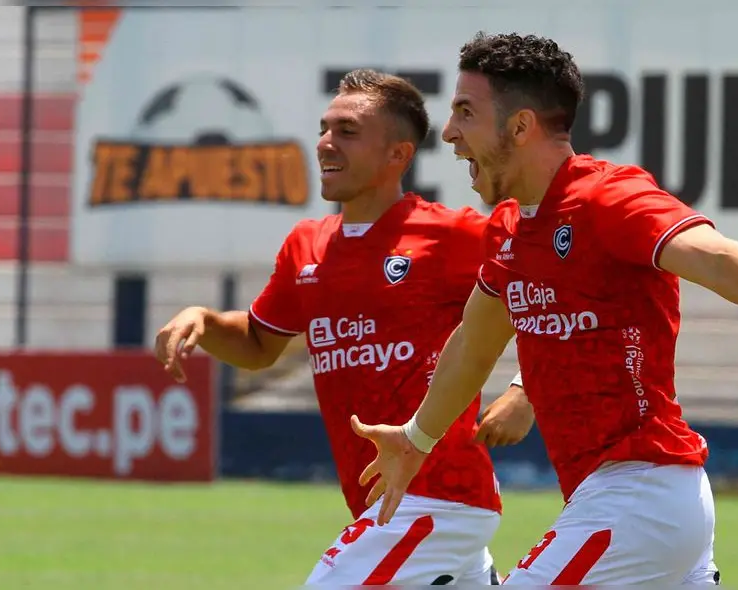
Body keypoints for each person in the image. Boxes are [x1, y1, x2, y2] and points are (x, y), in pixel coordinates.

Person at [350, 33, 738, 587]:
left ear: (521, 127)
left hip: (640, 494)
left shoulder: (606, 197)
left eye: (465, 112)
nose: (450, 133)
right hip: (639, 503)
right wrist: (417, 439)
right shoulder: (510, 227)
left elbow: (715, 257)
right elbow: (472, 347)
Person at [152, 69, 536, 586]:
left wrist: (525, 388)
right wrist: (204, 318)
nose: (325, 144)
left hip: (435, 499)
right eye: (324, 129)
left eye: (347, 132)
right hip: (388, 506)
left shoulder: (451, 233)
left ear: (398, 154)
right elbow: (260, 345)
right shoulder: (306, 244)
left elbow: (556, 284)